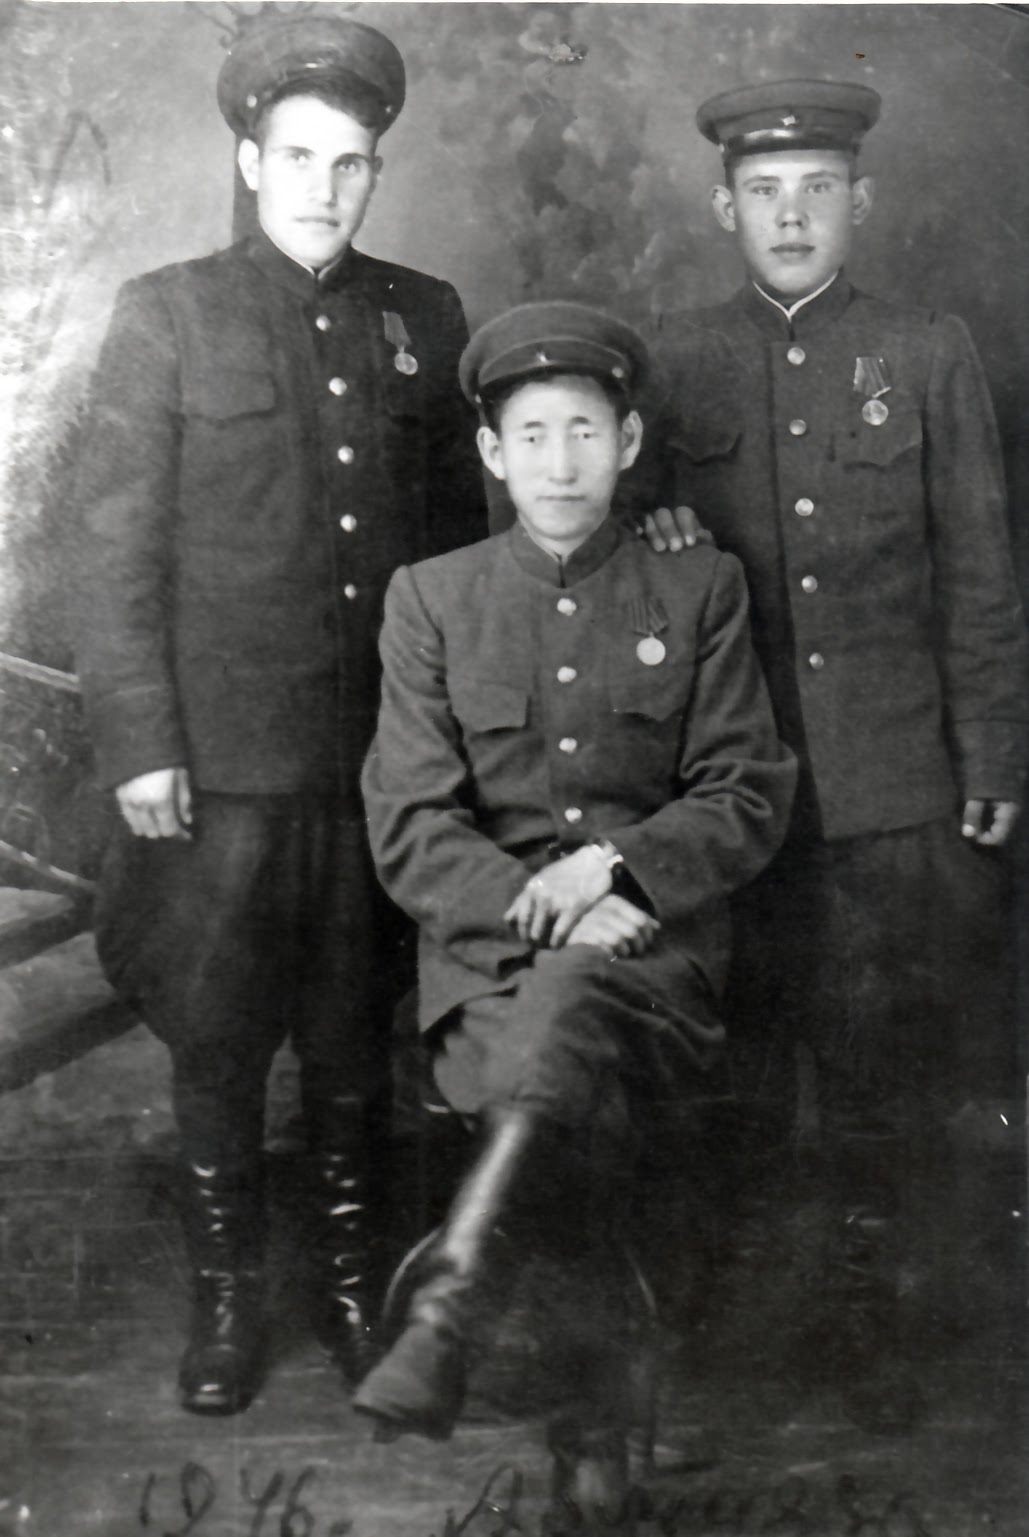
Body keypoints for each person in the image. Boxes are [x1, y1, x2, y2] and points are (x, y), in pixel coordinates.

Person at [72, 16, 488, 1416]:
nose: (323, 186)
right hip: (221, 771)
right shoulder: (168, 313)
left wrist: (448, 746)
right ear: (249, 161)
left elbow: (457, 553)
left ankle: (360, 1295)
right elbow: (113, 552)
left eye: (350, 163)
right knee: (218, 1040)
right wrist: (142, 742)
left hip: (373, 764)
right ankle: (229, 1306)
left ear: (376, 173)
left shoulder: (424, 316)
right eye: (297, 157)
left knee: (354, 1042)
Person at [629, 79, 1029, 1428]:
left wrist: (993, 754)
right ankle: (732, 1333)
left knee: (879, 1075)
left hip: (889, 791)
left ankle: (867, 1323)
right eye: (764, 192)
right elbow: (621, 560)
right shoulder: (673, 360)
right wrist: (654, 535)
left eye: (816, 190)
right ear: (721, 206)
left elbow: (979, 574)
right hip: (732, 793)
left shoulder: (925, 351)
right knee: (735, 1072)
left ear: (862, 200)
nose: (790, 216)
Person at [353, 301, 797, 1502]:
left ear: (629, 441)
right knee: (567, 1033)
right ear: (491, 453)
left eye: (586, 432)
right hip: (485, 975)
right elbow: (409, 823)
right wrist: (545, 909)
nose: (561, 463)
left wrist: (608, 870)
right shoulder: (432, 597)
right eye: (533, 435)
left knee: (574, 1017)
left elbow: (747, 788)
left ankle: (451, 1306)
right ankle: (598, 1423)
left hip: (654, 963)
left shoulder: (696, 585)